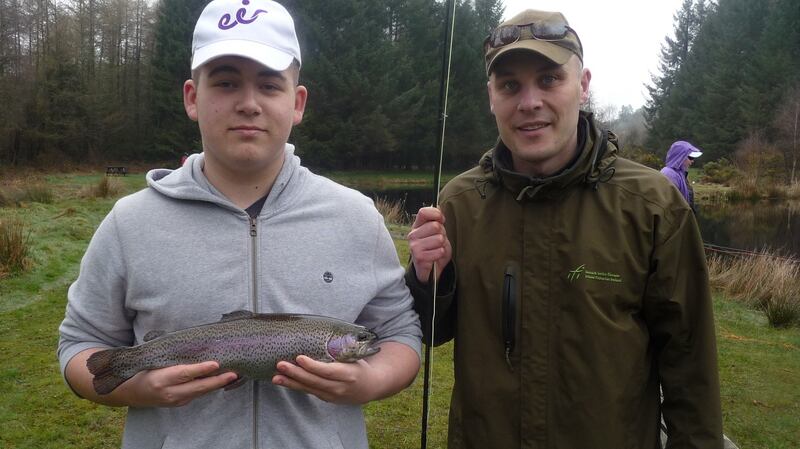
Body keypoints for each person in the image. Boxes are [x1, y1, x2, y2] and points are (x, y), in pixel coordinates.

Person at [57, 1, 421, 448]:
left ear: (298, 102)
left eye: (269, 85)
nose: (248, 104)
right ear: (193, 97)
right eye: (226, 83)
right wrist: (140, 387)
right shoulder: (129, 224)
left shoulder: (356, 217)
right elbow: (80, 346)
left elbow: (401, 333)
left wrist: (370, 382)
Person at [406, 9, 723, 449]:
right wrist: (426, 281)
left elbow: (692, 369)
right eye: (510, 85)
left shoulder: (654, 207)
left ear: (584, 84)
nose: (529, 101)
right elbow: (432, 332)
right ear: (491, 97)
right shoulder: (459, 203)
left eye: (550, 79)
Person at [661, 140, 703, 210]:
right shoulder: (669, 174)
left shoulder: (680, 174)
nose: (692, 161)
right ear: (680, 157)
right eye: (690, 157)